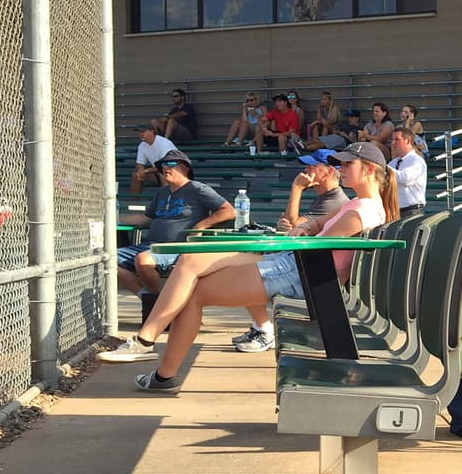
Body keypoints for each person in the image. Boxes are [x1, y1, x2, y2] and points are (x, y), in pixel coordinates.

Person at [98, 142, 400, 390]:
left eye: (348, 164)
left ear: (369, 169)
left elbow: (313, 246)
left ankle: (151, 356)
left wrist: (299, 232)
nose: (341, 168)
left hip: (299, 273)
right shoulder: (357, 205)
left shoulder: (360, 211)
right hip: (291, 263)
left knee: (193, 293)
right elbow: (316, 226)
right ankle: (149, 351)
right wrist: (305, 226)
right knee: (189, 261)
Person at [232, 150, 352, 353]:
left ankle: (263, 330)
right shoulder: (324, 198)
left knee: (245, 268)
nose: (306, 171)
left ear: (329, 171)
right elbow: (291, 226)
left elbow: (294, 227)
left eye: (312, 166)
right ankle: (260, 326)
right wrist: (293, 223)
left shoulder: (335, 200)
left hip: (314, 275)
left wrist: (296, 189)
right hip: (304, 265)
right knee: (244, 262)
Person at [116, 150, 235, 295]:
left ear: (185, 168)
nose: (166, 168)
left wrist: (201, 225)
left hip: (176, 248)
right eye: (163, 165)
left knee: (143, 260)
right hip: (149, 246)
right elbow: (146, 218)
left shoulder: (197, 188)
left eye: (171, 164)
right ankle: (148, 297)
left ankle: (157, 300)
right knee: (107, 259)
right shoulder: (162, 192)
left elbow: (229, 211)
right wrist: (112, 219)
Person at [387, 127, 427, 216]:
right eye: (392, 139)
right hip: (395, 211)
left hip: (412, 211)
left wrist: (384, 169)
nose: (393, 143)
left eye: (397, 139)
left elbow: (406, 178)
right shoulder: (393, 163)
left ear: (407, 141)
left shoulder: (417, 161)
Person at [130, 123, 176, 194]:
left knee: (163, 172)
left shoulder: (163, 143)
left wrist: (145, 171)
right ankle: (134, 202)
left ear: (151, 132)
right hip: (159, 171)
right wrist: (141, 171)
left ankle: (166, 199)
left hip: (176, 172)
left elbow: (165, 165)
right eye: (139, 132)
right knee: (136, 175)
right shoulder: (142, 145)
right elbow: (139, 163)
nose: (140, 134)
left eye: (143, 132)